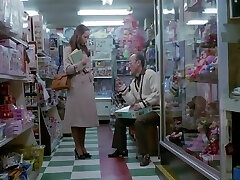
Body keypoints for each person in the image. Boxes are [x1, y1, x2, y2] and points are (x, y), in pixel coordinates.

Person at [108, 52, 160, 166]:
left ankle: (145, 154)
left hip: (155, 111)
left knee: (139, 122)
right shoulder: (133, 81)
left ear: (138, 63)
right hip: (143, 111)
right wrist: (123, 88)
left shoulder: (150, 74)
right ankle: (121, 149)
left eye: (130, 63)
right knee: (120, 121)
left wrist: (141, 105)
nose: (128, 66)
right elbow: (132, 101)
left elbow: (157, 95)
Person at [63, 24, 99, 160]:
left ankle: (83, 147)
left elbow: (88, 66)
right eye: (85, 37)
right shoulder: (68, 49)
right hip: (76, 88)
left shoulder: (85, 50)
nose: (86, 40)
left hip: (87, 87)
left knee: (84, 119)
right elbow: (67, 70)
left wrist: (91, 74)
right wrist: (81, 64)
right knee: (76, 119)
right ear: (78, 35)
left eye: (88, 37)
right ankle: (77, 147)